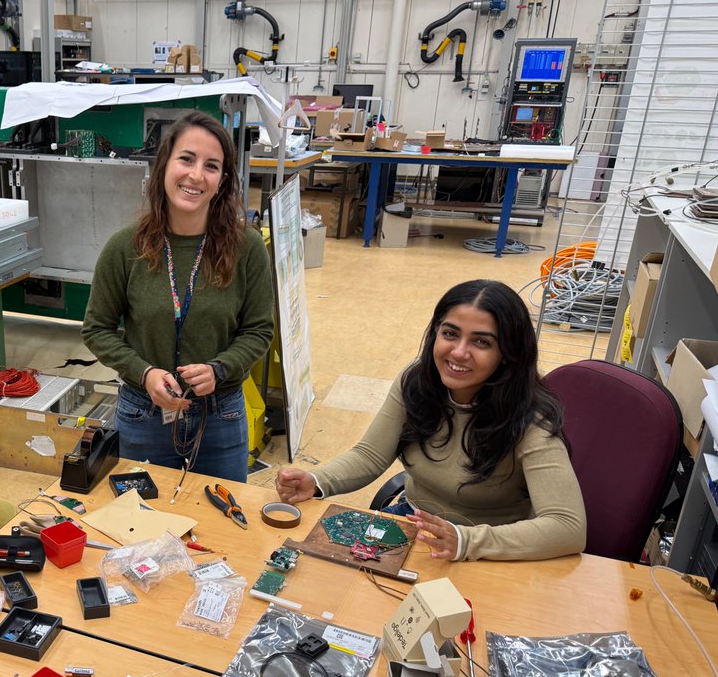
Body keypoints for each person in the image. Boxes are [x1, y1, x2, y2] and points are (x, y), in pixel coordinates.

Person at [276, 279, 586, 562]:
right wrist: (317, 481)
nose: (459, 352)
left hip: (492, 548)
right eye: (450, 334)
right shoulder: (417, 382)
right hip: (413, 525)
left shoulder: (531, 419)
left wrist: (467, 541)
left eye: (481, 342)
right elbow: (370, 455)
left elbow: (568, 527)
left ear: (507, 353)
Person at [81, 110, 275, 482]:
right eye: (186, 159)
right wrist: (145, 372)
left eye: (212, 166)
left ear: (222, 181)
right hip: (143, 417)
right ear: (164, 166)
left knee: (223, 533)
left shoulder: (247, 248)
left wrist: (220, 369)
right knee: (138, 525)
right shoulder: (125, 248)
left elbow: (258, 331)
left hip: (221, 418)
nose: (196, 175)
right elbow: (97, 329)